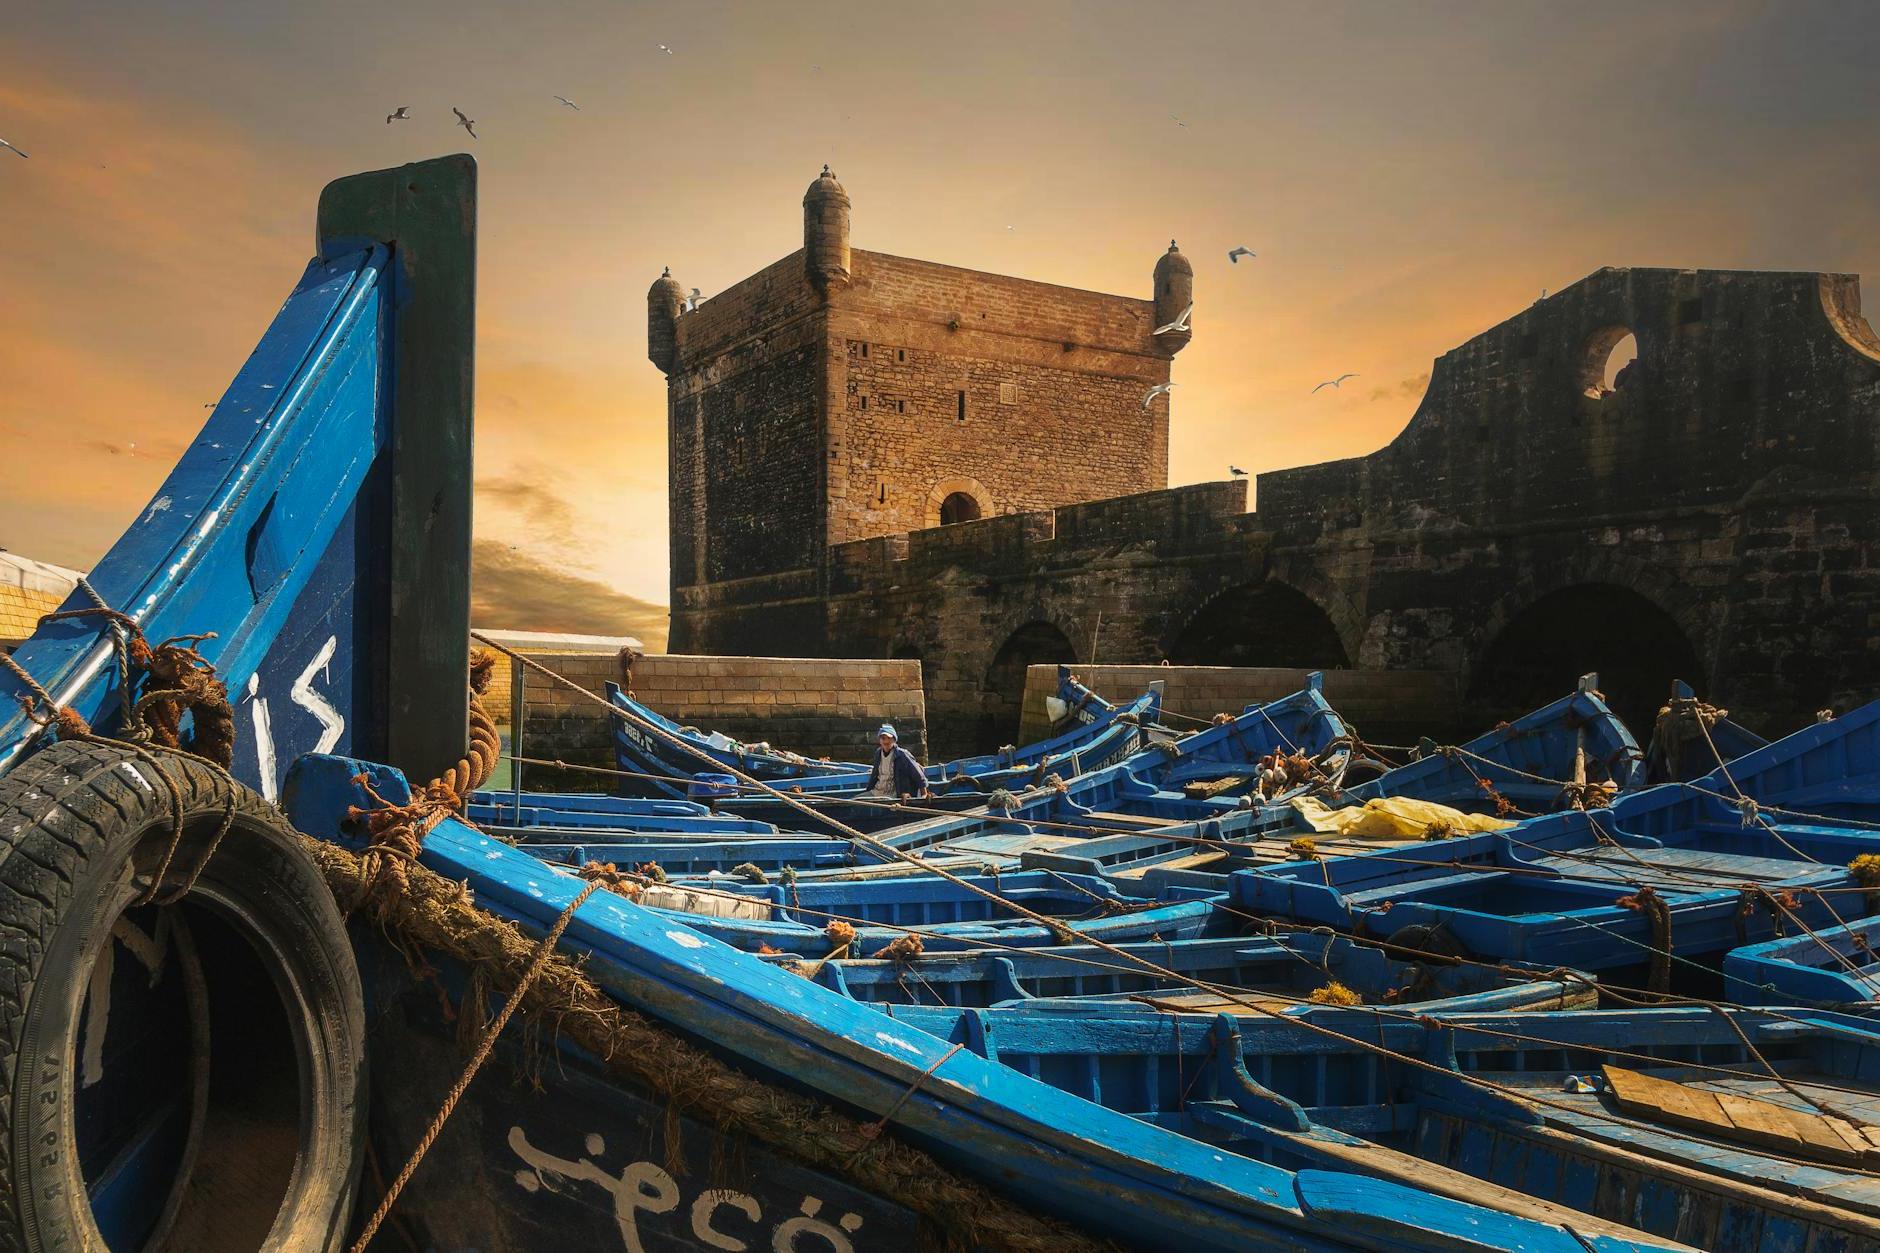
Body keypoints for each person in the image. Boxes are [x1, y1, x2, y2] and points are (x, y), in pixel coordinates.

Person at [865, 724, 928, 800]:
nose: (886, 741)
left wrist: (924, 794)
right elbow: (876, 773)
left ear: (894, 740)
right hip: (876, 791)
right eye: (883, 738)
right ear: (880, 740)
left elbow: (918, 775)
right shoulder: (878, 753)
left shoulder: (902, 755)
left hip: (893, 795)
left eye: (889, 738)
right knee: (856, 800)